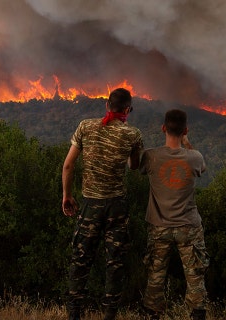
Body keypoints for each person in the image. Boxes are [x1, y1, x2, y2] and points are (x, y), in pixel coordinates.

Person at [61, 88, 143, 320]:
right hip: (116, 207)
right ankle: (109, 315)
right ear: (127, 109)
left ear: (107, 106)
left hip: (90, 205)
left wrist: (67, 195)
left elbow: (68, 166)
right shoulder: (133, 134)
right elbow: (134, 166)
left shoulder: (85, 126)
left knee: (80, 261)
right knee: (114, 263)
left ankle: (74, 314)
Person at [139, 109, 210, 320]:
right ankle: (197, 314)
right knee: (195, 275)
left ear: (163, 128)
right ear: (185, 130)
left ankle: (153, 313)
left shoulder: (151, 156)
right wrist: (187, 143)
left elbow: (135, 166)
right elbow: (202, 168)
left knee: (155, 275)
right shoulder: (194, 157)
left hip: (159, 226)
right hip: (189, 227)